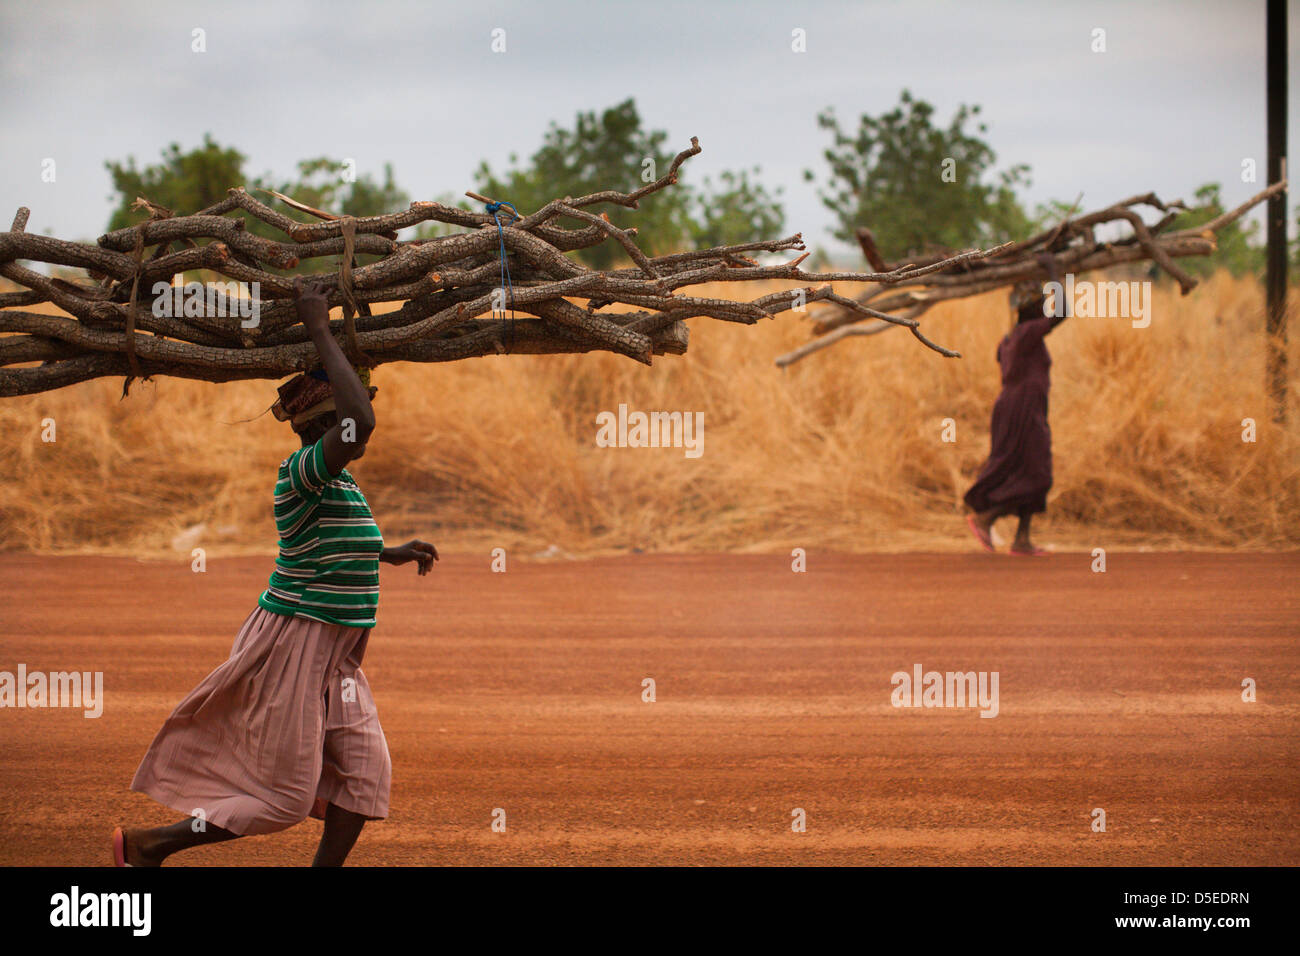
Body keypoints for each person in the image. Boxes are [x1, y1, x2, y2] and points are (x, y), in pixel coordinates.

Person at [113, 278, 438, 866]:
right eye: (342, 405)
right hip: (295, 643)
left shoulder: (337, 480)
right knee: (286, 798)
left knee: (363, 775)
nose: (358, 415)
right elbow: (359, 423)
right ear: (320, 425)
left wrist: (385, 552)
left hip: (336, 651)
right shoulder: (302, 472)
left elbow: (327, 545)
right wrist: (317, 326)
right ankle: (150, 845)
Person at [964, 252, 1069, 556]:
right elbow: (1062, 313)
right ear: (1031, 306)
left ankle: (1022, 539)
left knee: (1027, 467)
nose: (1045, 306)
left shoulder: (1013, 338)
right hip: (1022, 409)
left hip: (1019, 408)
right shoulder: (1026, 335)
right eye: (1041, 302)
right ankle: (986, 518)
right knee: (1036, 473)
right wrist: (1053, 269)